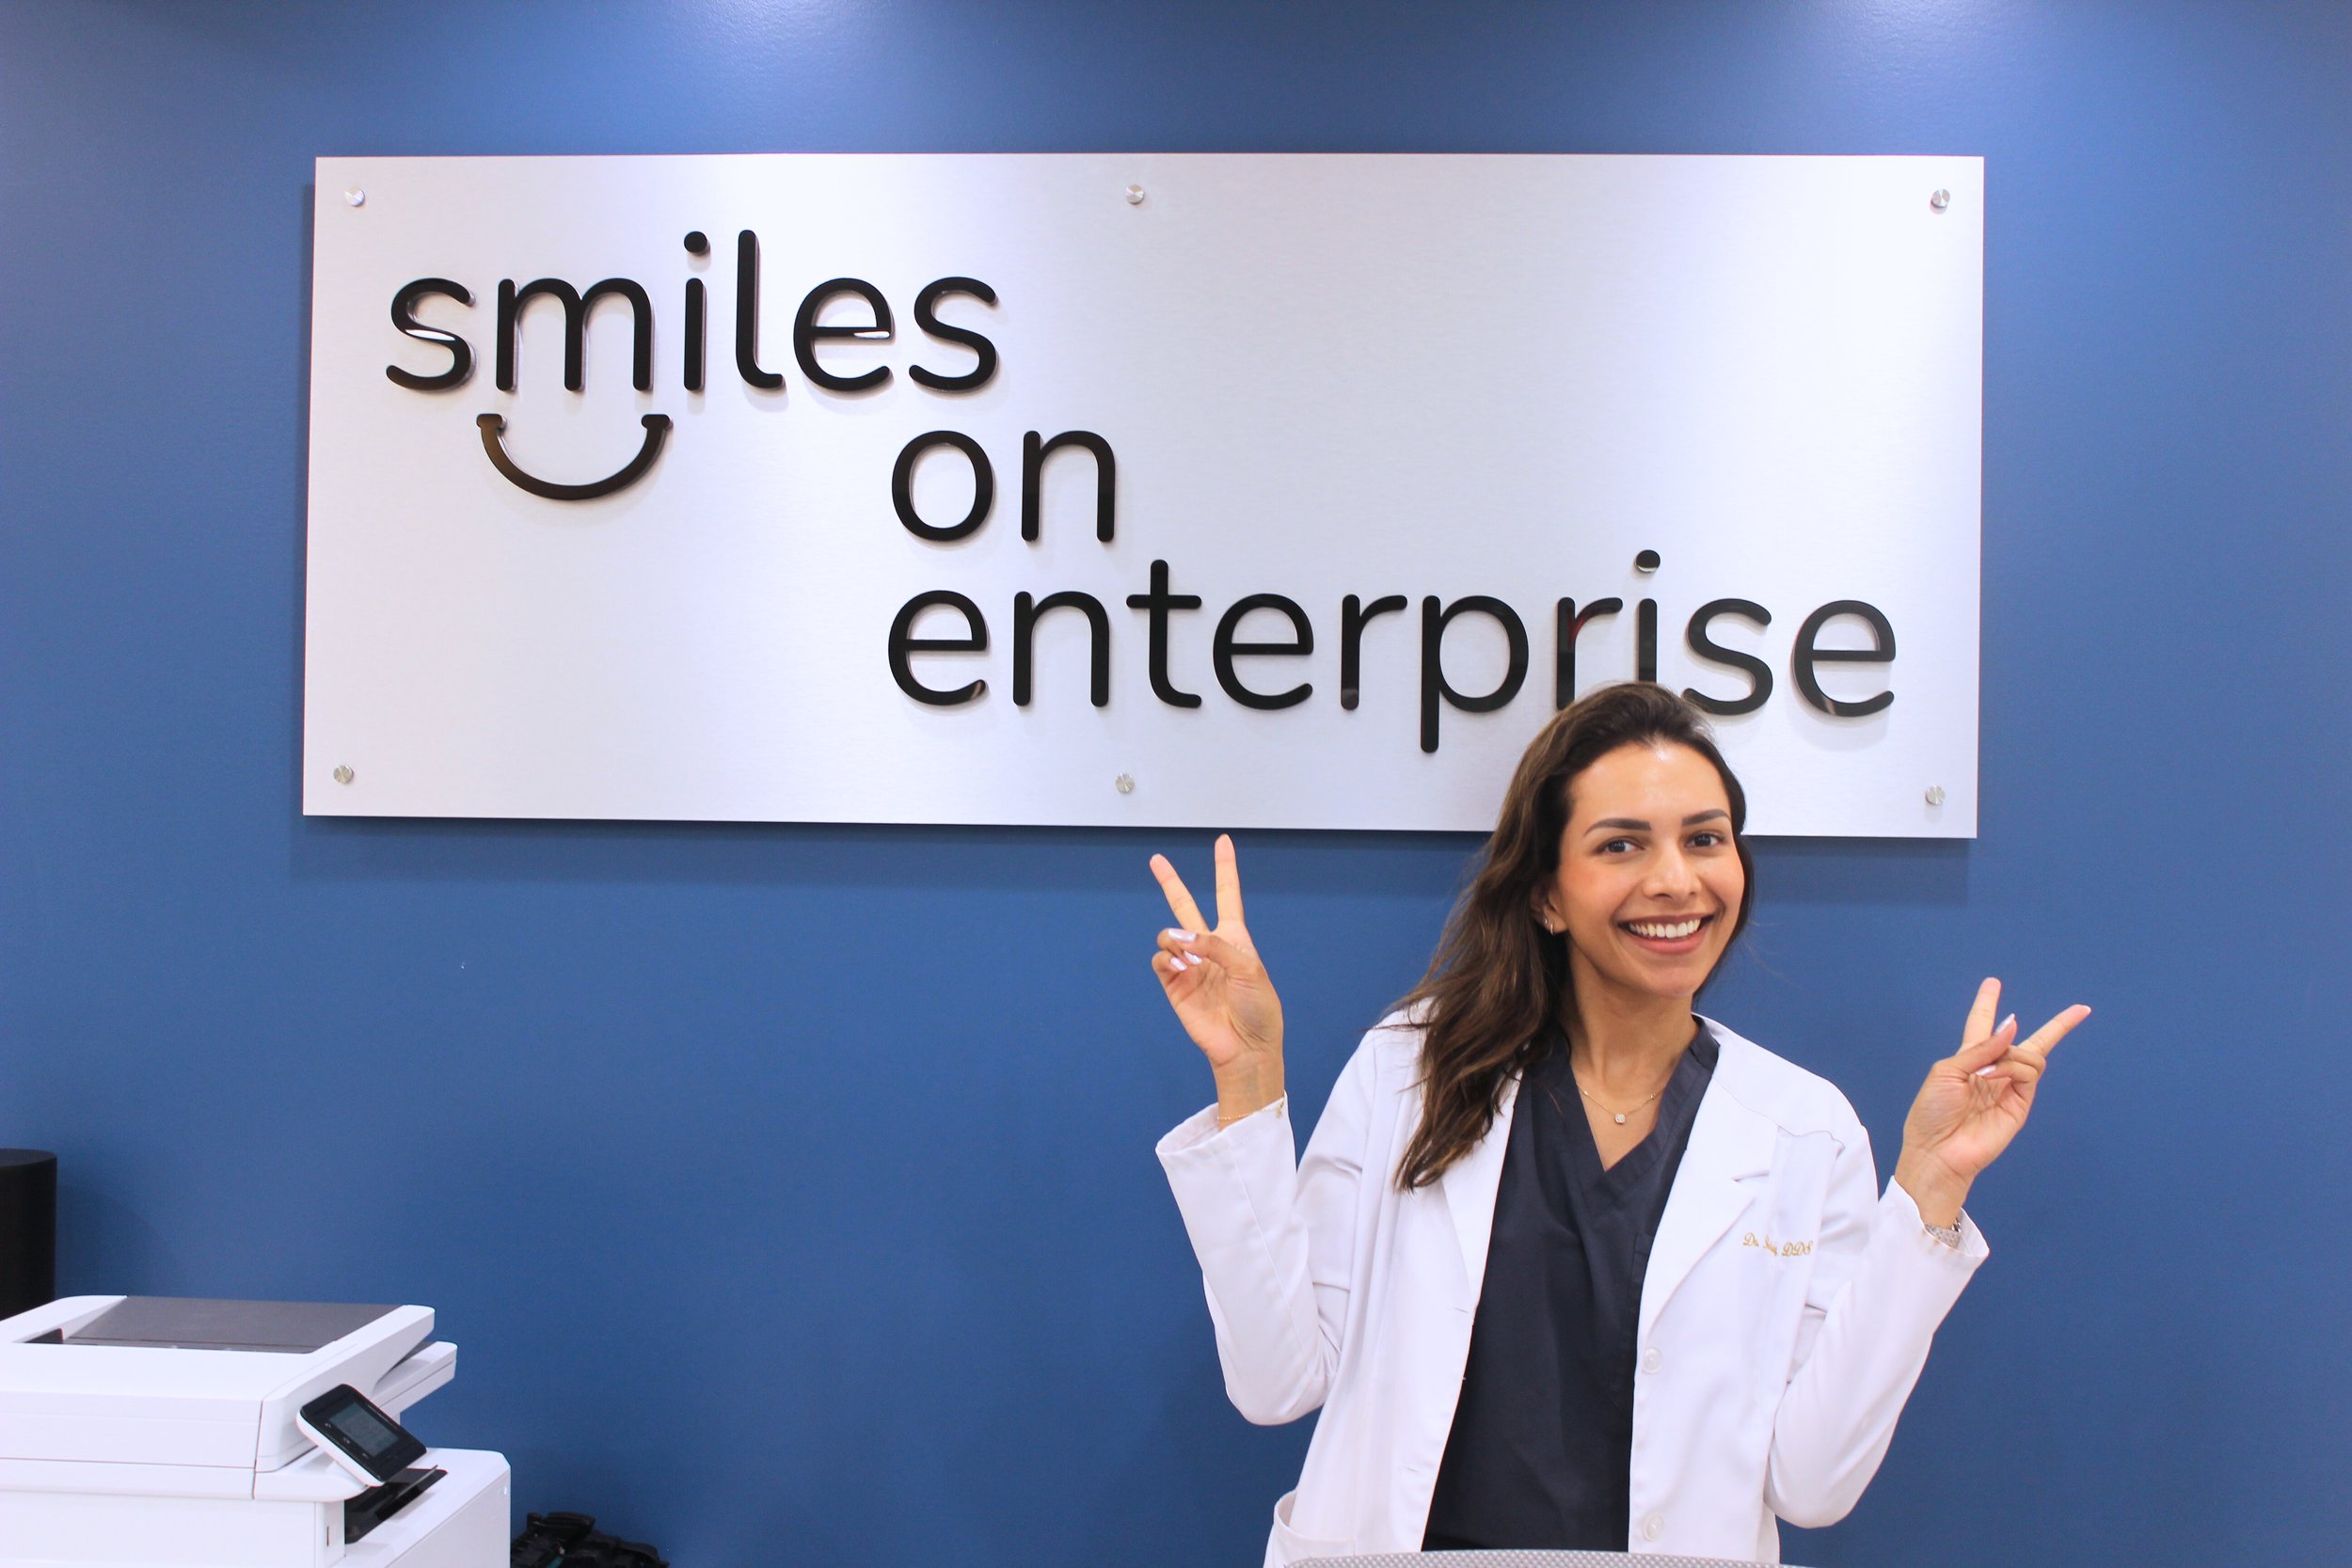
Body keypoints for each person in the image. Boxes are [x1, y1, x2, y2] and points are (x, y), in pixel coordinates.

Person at [1146, 682, 2090, 1566]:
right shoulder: (1411, 1072)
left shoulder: (1803, 1128)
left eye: (1705, 838)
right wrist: (1248, 1075)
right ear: (1546, 894)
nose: (1676, 881)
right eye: (1621, 844)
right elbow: (1275, 1383)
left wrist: (1927, 1188)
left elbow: (1813, 1486)